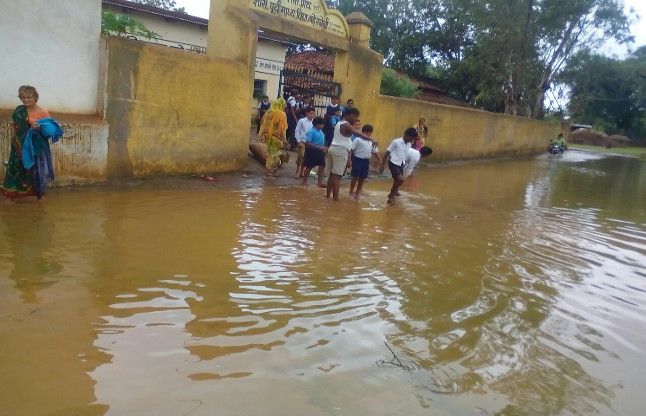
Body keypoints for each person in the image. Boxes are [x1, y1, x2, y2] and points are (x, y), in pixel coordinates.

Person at [2, 85, 53, 201]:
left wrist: (39, 128)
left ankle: (38, 196)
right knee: (15, 169)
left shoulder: (42, 112)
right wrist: (16, 142)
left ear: (35, 97)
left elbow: (50, 130)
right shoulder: (19, 110)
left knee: (34, 170)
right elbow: (15, 127)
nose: (26, 100)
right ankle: (11, 196)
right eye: (23, 97)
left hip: (34, 147)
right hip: (18, 145)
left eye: (29, 97)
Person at [326, 107, 376, 200]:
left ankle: (328, 196)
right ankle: (335, 199)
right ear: (347, 115)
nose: (355, 119)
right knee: (337, 176)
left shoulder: (340, 123)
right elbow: (357, 133)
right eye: (354, 116)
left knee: (332, 175)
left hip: (334, 148)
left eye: (356, 117)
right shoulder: (346, 124)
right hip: (340, 151)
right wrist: (371, 139)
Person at [379, 128, 419, 204]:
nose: (411, 140)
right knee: (401, 179)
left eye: (413, 139)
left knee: (397, 180)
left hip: (401, 163)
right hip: (393, 162)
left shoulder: (409, 144)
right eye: (411, 138)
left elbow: (404, 154)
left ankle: (395, 191)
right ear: (406, 135)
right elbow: (387, 152)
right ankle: (391, 195)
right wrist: (382, 165)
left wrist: (405, 164)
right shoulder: (396, 142)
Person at [349, 124, 381, 197]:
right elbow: (351, 150)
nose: (368, 134)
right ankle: (351, 191)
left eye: (370, 132)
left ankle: (357, 191)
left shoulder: (371, 142)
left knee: (362, 177)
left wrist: (379, 160)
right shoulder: (357, 140)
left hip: (366, 161)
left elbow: (375, 152)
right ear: (362, 132)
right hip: (357, 160)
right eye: (367, 132)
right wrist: (349, 160)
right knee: (355, 176)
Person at [258, 98, 288, 176]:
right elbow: (282, 129)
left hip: (267, 136)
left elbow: (263, 124)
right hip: (276, 137)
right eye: (284, 105)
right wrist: (284, 139)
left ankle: (274, 170)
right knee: (273, 155)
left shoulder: (269, 112)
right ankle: (268, 170)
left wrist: (261, 134)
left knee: (273, 154)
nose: (284, 107)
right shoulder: (281, 114)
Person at [302, 116, 327, 188]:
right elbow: (308, 143)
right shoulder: (311, 131)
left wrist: (322, 148)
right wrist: (320, 147)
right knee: (309, 167)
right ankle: (304, 182)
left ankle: (320, 182)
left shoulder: (320, 131)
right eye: (322, 124)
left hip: (320, 152)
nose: (323, 126)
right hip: (312, 152)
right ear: (317, 124)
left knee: (322, 166)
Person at [294, 107, 315, 178]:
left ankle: (302, 171)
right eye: (310, 113)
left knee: (306, 157)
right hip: (302, 141)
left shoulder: (314, 122)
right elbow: (297, 131)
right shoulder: (302, 121)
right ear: (307, 113)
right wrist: (298, 141)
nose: (312, 115)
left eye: (313, 113)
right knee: (301, 156)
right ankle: (297, 170)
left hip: (310, 143)